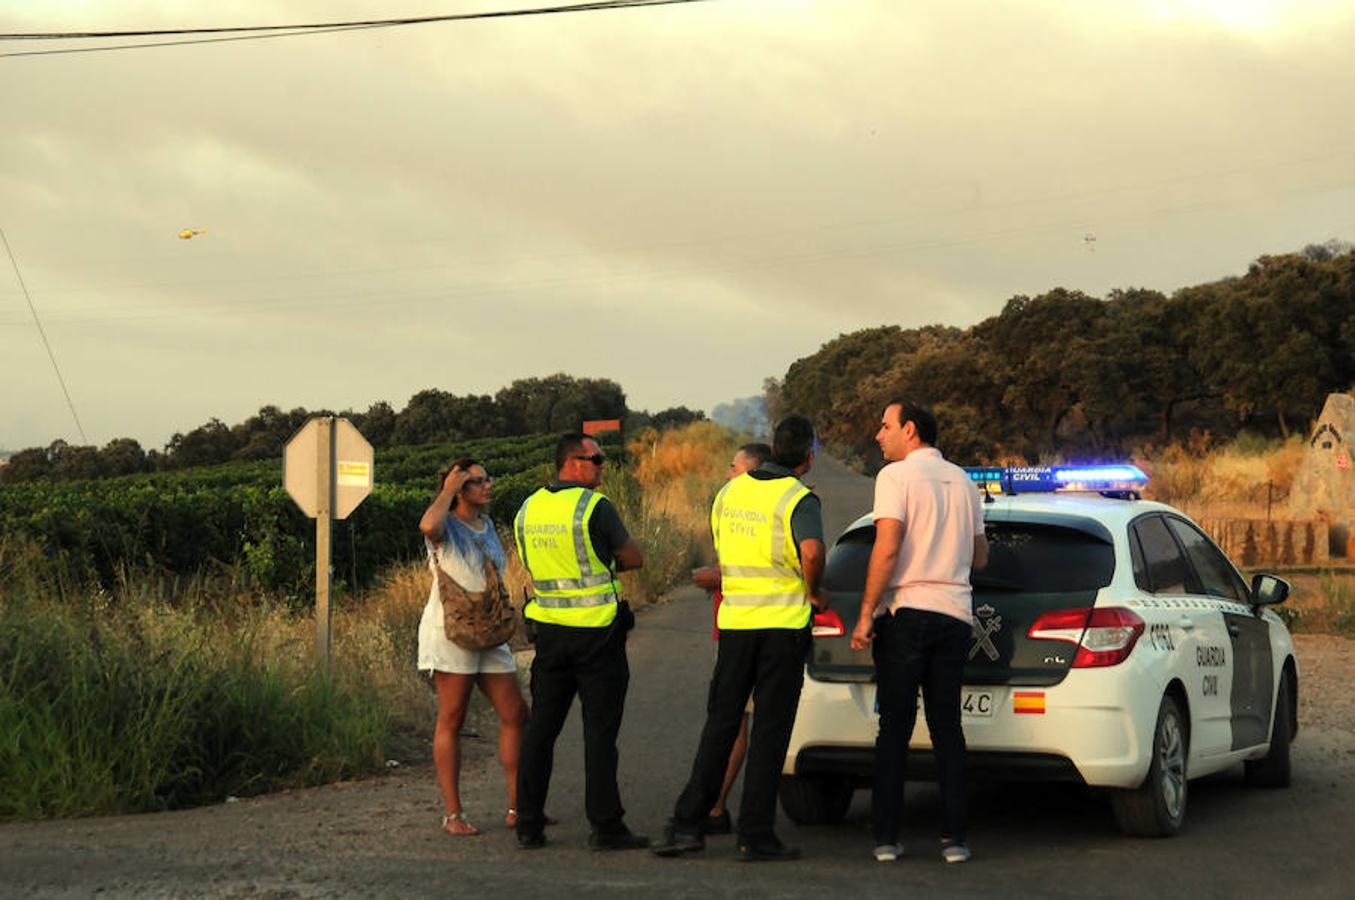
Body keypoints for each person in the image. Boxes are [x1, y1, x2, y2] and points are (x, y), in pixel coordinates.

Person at [653, 417, 826, 862]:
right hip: (783, 627)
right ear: (808, 456)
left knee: (721, 724)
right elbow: (811, 551)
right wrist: (813, 590)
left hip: (734, 625)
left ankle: (686, 825)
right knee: (770, 731)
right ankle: (756, 834)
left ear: (770, 448)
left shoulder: (729, 491)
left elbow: (720, 545)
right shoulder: (799, 498)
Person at [848, 401, 988, 864]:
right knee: (948, 729)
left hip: (908, 612)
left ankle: (887, 838)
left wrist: (867, 613)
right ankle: (955, 840)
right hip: (955, 615)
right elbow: (981, 556)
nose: (877, 435)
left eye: (885, 426)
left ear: (910, 430)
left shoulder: (895, 478)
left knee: (895, 728)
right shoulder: (966, 483)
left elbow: (886, 548)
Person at [512, 433, 648, 851]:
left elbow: (531, 563)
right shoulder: (594, 506)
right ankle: (606, 826)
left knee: (541, 731)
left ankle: (528, 823)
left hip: (550, 634)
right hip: (597, 634)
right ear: (572, 463)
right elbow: (634, 558)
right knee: (599, 734)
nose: (602, 466)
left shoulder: (527, 509)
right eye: (596, 460)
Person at [417, 457, 529, 837]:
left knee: (515, 713)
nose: (488, 486)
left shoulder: (488, 525)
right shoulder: (445, 526)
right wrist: (447, 489)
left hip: (491, 634)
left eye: (487, 479)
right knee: (453, 717)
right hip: (453, 634)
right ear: (460, 488)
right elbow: (427, 524)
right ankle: (453, 815)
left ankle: (519, 807)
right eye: (478, 481)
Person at [689, 441, 772, 835]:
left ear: (754, 471)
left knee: (733, 720)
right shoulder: (731, 502)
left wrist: (714, 576)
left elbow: (753, 566)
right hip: (737, 623)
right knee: (734, 719)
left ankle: (715, 806)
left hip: (748, 626)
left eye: (734, 468)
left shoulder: (749, 505)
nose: (727, 474)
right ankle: (719, 808)